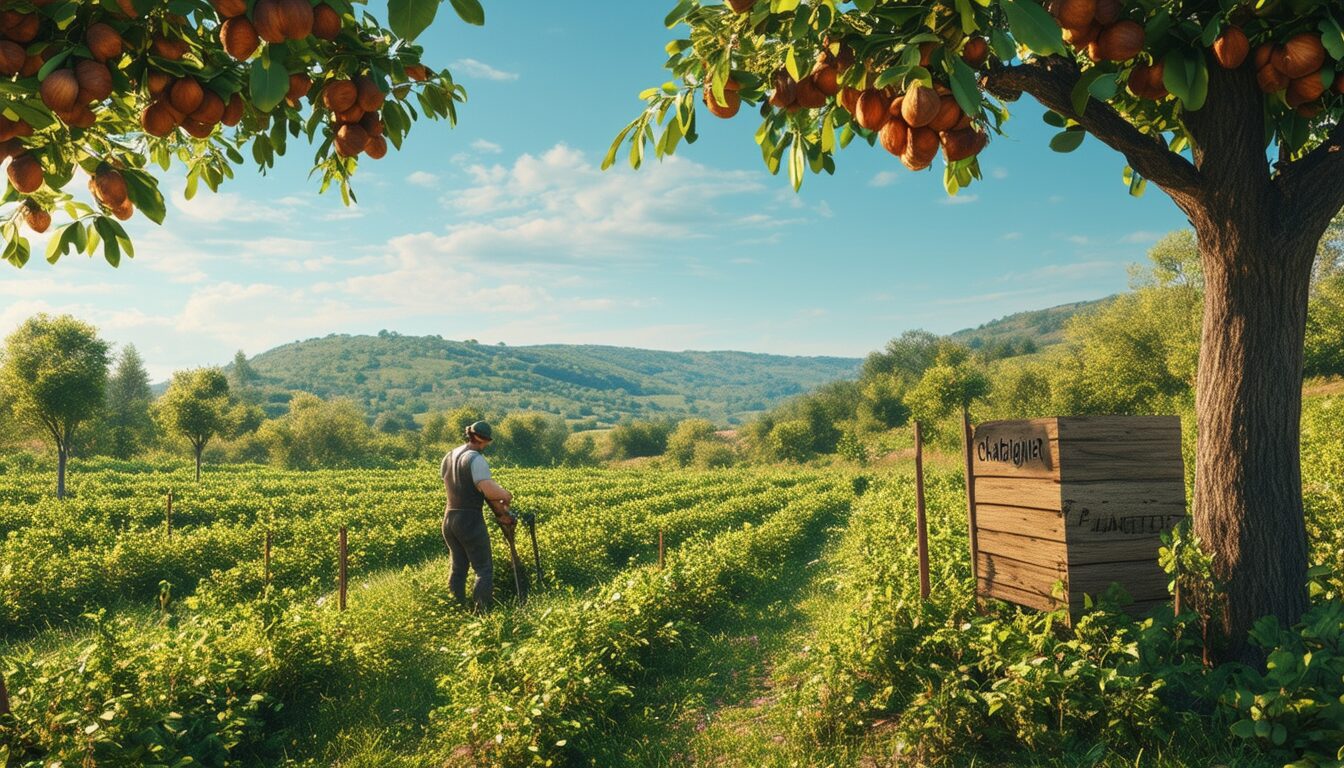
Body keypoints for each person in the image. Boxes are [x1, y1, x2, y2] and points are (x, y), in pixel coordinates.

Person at [440, 420, 513, 612]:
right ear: (484, 440)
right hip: (469, 520)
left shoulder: (450, 455)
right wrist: (505, 495)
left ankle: (456, 609)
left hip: (449, 518)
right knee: (483, 569)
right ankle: (482, 614)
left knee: (458, 568)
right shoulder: (475, 459)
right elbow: (487, 489)